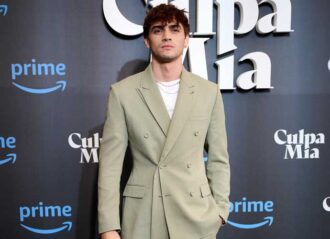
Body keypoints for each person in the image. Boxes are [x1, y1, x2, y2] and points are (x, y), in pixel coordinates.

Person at [98, 4, 230, 239]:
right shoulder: (123, 93)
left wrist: (220, 211)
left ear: (186, 39)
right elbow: (110, 166)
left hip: (196, 215)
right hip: (144, 215)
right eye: (158, 30)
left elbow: (219, 160)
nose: (167, 35)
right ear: (147, 41)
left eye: (174, 29)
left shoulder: (208, 92)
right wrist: (108, 226)